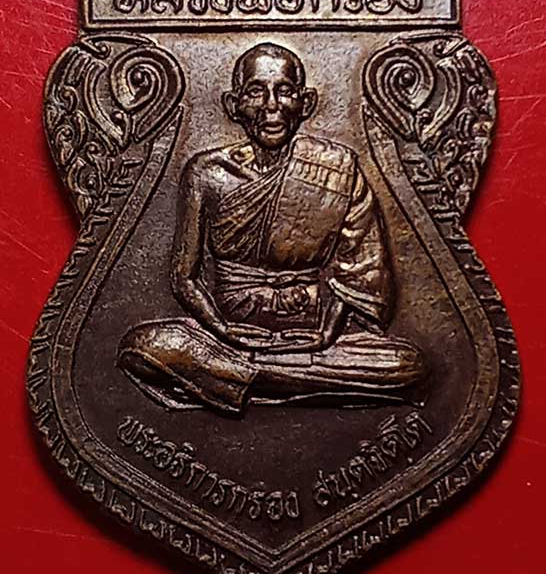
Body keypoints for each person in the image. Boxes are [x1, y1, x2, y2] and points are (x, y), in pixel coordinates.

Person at [118, 43, 425, 414]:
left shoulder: (336, 168)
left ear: (306, 103)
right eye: (254, 92)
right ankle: (277, 380)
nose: (271, 106)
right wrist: (221, 329)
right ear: (233, 105)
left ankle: (238, 379)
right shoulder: (207, 173)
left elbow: (361, 271)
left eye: (285, 91)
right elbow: (184, 277)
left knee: (407, 364)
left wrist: (325, 334)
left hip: (312, 335)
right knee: (144, 345)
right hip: (226, 333)